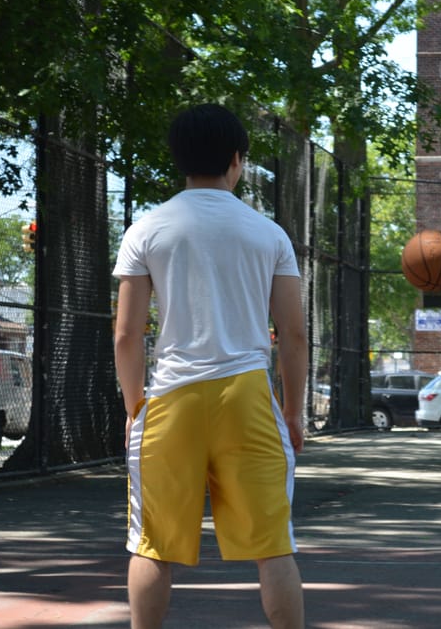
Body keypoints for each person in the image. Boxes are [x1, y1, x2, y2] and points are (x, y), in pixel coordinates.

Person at [113, 103, 307, 629]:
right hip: (245, 396)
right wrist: (293, 413)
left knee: (152, 546)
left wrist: (135, 408)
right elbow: (292, 334)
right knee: (273, 545)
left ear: (179, 160)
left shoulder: (147, 228)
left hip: (172, 397)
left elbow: (128, 335)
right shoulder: (268, 234)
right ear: (236, 160)